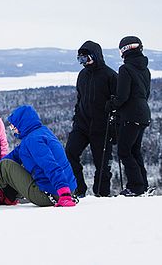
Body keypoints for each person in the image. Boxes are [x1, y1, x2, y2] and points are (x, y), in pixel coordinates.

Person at [0, 104, 78, 208]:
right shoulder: (39, 133)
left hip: (52, 194)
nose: (13, 129)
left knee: (6, 166)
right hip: (61, 189)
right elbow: (14, 155)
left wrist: (64, 194)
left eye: (14, 126)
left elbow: (51, 165)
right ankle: (7, 195)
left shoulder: (34, 140)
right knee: (10, 164)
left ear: (22, 124)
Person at [65, 41, 118, 197]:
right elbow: (80, 99)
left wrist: (115, 128)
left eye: (86, 58)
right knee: (69, 153)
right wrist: (76, 118)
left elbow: (119, 103)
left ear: (95, 56)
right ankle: (79, 189)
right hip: (82, 125)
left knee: (102, 164)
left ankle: (101, 194)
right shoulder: (82, 75)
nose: (83, 63)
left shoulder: (110, 76)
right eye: (80, 59)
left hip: (102, 127)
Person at [106, 36, 152, 197]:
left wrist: (112, 104)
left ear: (124, 51)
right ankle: (143, 185)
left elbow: (122, 96)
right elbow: (146, 93)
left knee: (125, 151)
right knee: (135, 150)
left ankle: (136, 186)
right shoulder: (145, 69)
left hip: (131, 114)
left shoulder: (125, 69)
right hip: (143, 113)